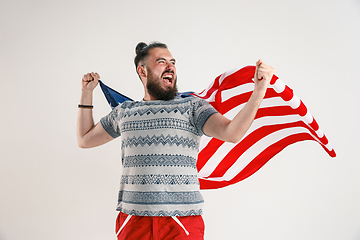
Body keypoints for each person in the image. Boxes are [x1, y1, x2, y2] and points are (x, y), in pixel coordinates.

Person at [77, 42, 275, 240]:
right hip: (133, 220)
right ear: (142, 70)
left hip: (182, 221)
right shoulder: (125, 111)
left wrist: (258, 92)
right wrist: (87, 92)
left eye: (172, 62)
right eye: (161, 62)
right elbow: (85, 139)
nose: (170, 66)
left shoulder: (193, 107)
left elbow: (232, 133)